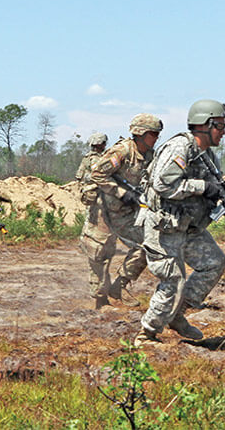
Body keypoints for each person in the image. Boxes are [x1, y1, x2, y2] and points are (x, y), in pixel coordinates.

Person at [134, 99, 225, 346]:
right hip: (164, 226)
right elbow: (164, 185)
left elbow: (210, 191)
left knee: (213, 262)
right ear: (205, 125)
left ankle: (176, 315)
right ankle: (147, 333)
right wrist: (203, 187)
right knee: (173, 279)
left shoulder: (208, 157)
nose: (224, 131)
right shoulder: (179, 148)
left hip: (188, 226)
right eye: (220, 126)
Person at [82, 114, 162, 309]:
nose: (156, 138)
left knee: (147, 245)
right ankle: (100, 301)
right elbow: (97, 173)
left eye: (158, 134)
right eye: (153, 134)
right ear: (141, 133)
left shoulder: (150, 155)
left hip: (126, 213)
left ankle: (120, 285)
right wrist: (120, 192)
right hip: (103, 211)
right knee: (100, 253)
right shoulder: (122, 151)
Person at [75, 133, 107, 206]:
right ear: (99, 144)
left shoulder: (87, 157)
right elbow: (97, 175)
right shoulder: (95, 159)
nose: (105, 145)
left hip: (87, 191)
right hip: (94, 192)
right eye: (104, 143)